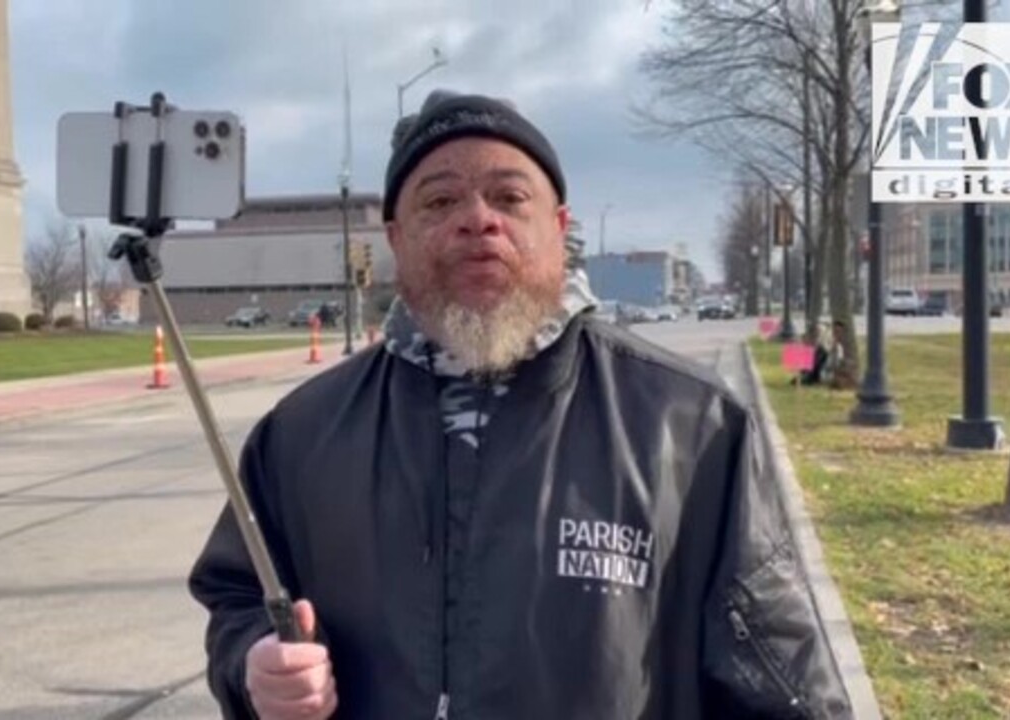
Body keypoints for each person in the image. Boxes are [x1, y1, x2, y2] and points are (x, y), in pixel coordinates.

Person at [189, 90, 852, 719]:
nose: (478, 218)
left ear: (559, 229)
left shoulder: (692, 428)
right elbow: (239, 596)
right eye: (440, 200)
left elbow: (781, 675)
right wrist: (254, 666)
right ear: (395, 237)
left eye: (509, 196)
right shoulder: (302, 435)